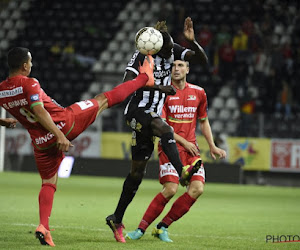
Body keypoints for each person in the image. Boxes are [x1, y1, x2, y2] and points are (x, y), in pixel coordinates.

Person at [0, 47, 155, 247]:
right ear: (24, 66)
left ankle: (43, 227)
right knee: (103, 100)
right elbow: (39, 112)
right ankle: (144, 78)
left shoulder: (2, 89)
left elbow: (30, 114)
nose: (32, 65)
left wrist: (2, 121)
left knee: (48, 181)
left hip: (40, 142)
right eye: (30, 62)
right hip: (66, 123)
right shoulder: (30, 83)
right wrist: (60, 136)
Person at [106, 17, 209, 243]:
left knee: (137, 174)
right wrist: (158, 86)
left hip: (149, 119)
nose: (173, 54)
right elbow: (127, 81)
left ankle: (116, 217)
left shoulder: (174, 50)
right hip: (137, 112)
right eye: (168, 50)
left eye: (174, 48)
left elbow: (202, 61)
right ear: (155, 48)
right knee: (165, 130)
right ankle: (182, 171)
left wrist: (193, 42)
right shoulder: (144, 55)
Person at [125, 60, 226, 242]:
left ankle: (162, 227)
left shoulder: (199, 92)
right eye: (173, 66)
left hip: (191, 150)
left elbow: (203, 121)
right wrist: (184, 142)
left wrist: (212, 145)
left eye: (181, 65)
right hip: (170, 148)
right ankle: (140, 230)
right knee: (171, 189)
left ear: (188, 68)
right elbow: (163, 127)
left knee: (197, 189)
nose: (176, 69)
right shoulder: (163, 94)